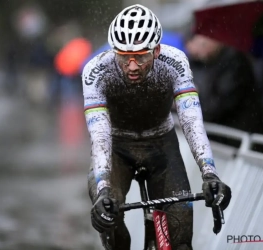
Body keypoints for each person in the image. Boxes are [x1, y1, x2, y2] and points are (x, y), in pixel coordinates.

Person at [82, 4, 232, 250]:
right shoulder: (97, 71)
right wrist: (103, 190)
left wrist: (210, 174)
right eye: (123, 56)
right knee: (110, 220)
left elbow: (192, 121)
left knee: (181, 241)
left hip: (161, 145)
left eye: (140, 56)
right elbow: (99, 136)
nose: (131, 66)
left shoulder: (174, 62)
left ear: (157, 50)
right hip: (117, 147)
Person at [185, 34, 262, 134]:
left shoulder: (235, 63)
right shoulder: (199, 61)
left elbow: (217, 106)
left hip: (234, 135)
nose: (195, 51)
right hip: (215, 132)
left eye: (202, 44)